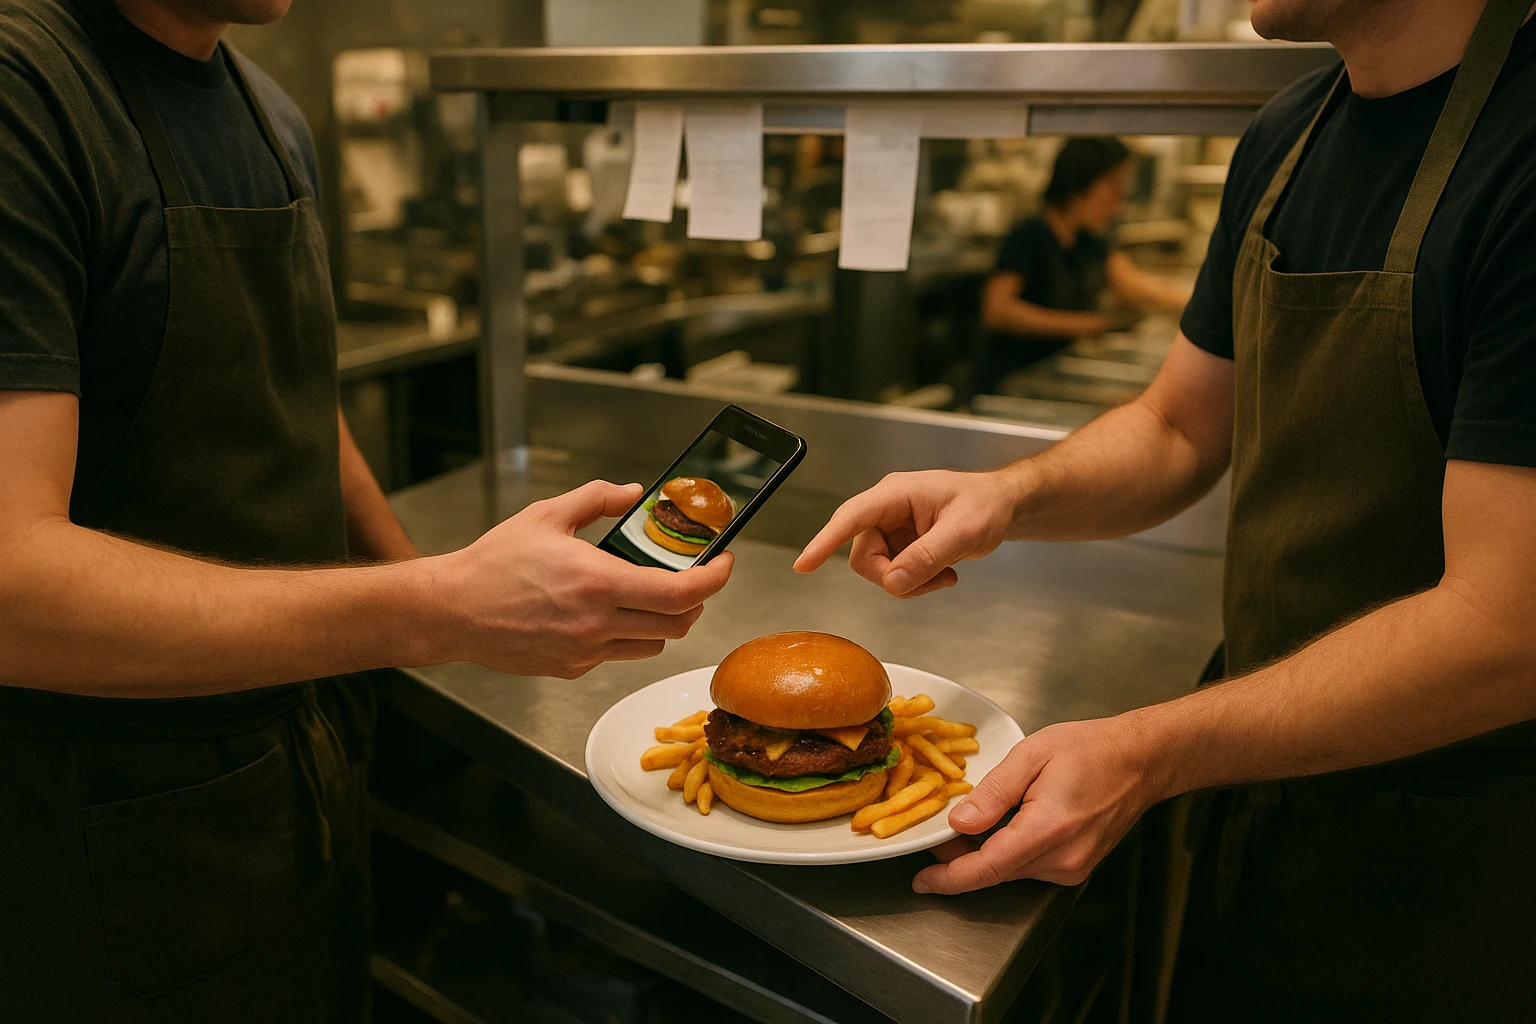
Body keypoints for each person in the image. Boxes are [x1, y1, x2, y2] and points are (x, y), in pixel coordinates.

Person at [797, 0, 1536, 1018]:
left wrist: (1154, 748)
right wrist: (1005, 494)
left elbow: (1509, 628)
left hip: (1457, 863)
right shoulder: (1288, 137)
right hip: (1256, 793)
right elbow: (1181, 427)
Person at [0, 0, 732, 1019]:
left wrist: (452, 627)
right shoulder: (26, 95)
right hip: (113, 830)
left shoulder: (270, 116)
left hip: (304, 768)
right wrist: (434, 604)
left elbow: (299, 397)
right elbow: (11, 588)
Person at [972, 136, 1190, 396]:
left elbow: (1133, 284)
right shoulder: (1029, 235)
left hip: (1051, 378)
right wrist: (1084, 325)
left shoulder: (1087, 241)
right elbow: (997, 310)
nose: (1119, 199)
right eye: (1113, 185)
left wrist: (1191, 303)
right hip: (1010, 384)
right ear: (1081, 181)